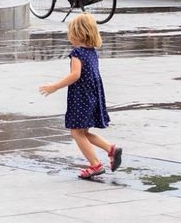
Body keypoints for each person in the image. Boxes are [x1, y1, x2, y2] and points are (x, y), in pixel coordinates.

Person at [39, 13, 121, 180]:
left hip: (81, 97)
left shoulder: (77, 53)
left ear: (77, 33)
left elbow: (75, 75)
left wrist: (54, 86)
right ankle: (110, 149)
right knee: (83, 131)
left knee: (76, 133)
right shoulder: (91, 52)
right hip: (92, 95)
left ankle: (95, 164)